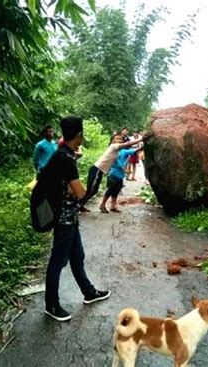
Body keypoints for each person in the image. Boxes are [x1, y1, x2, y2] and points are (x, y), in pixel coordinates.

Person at [43, 116, 111, 322]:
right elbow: (81, 193)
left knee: (77, 256)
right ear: (79, 135)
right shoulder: (66, 159)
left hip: (69, 217)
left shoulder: (64, 154)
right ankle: (51, 305)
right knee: (58, 261)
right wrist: (85, 188)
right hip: (64, 218)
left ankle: (89, 292)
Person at [79, 132, 144, 211]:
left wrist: (139, 147)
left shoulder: (118, 151)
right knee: (91, 190)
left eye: (120, 139)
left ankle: (81, 206)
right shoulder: (113, 146)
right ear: (112, 141)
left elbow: (129, 149)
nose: (119, 140)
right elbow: (128, 143)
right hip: (96, 170)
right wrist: (141, 139)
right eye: (116, 139)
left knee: (94, 190)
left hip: (100, 172)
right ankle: (78, 206)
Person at [99, 145, 142, 213]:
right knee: (110, 190)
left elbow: (133, 151)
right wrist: (125, 170)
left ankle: (113, 206)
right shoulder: (113, 153)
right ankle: (102, 205)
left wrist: (140, 147)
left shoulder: (123, 151)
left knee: (116, 191)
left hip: (120, 176)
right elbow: (118, 164)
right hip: (113, 175)